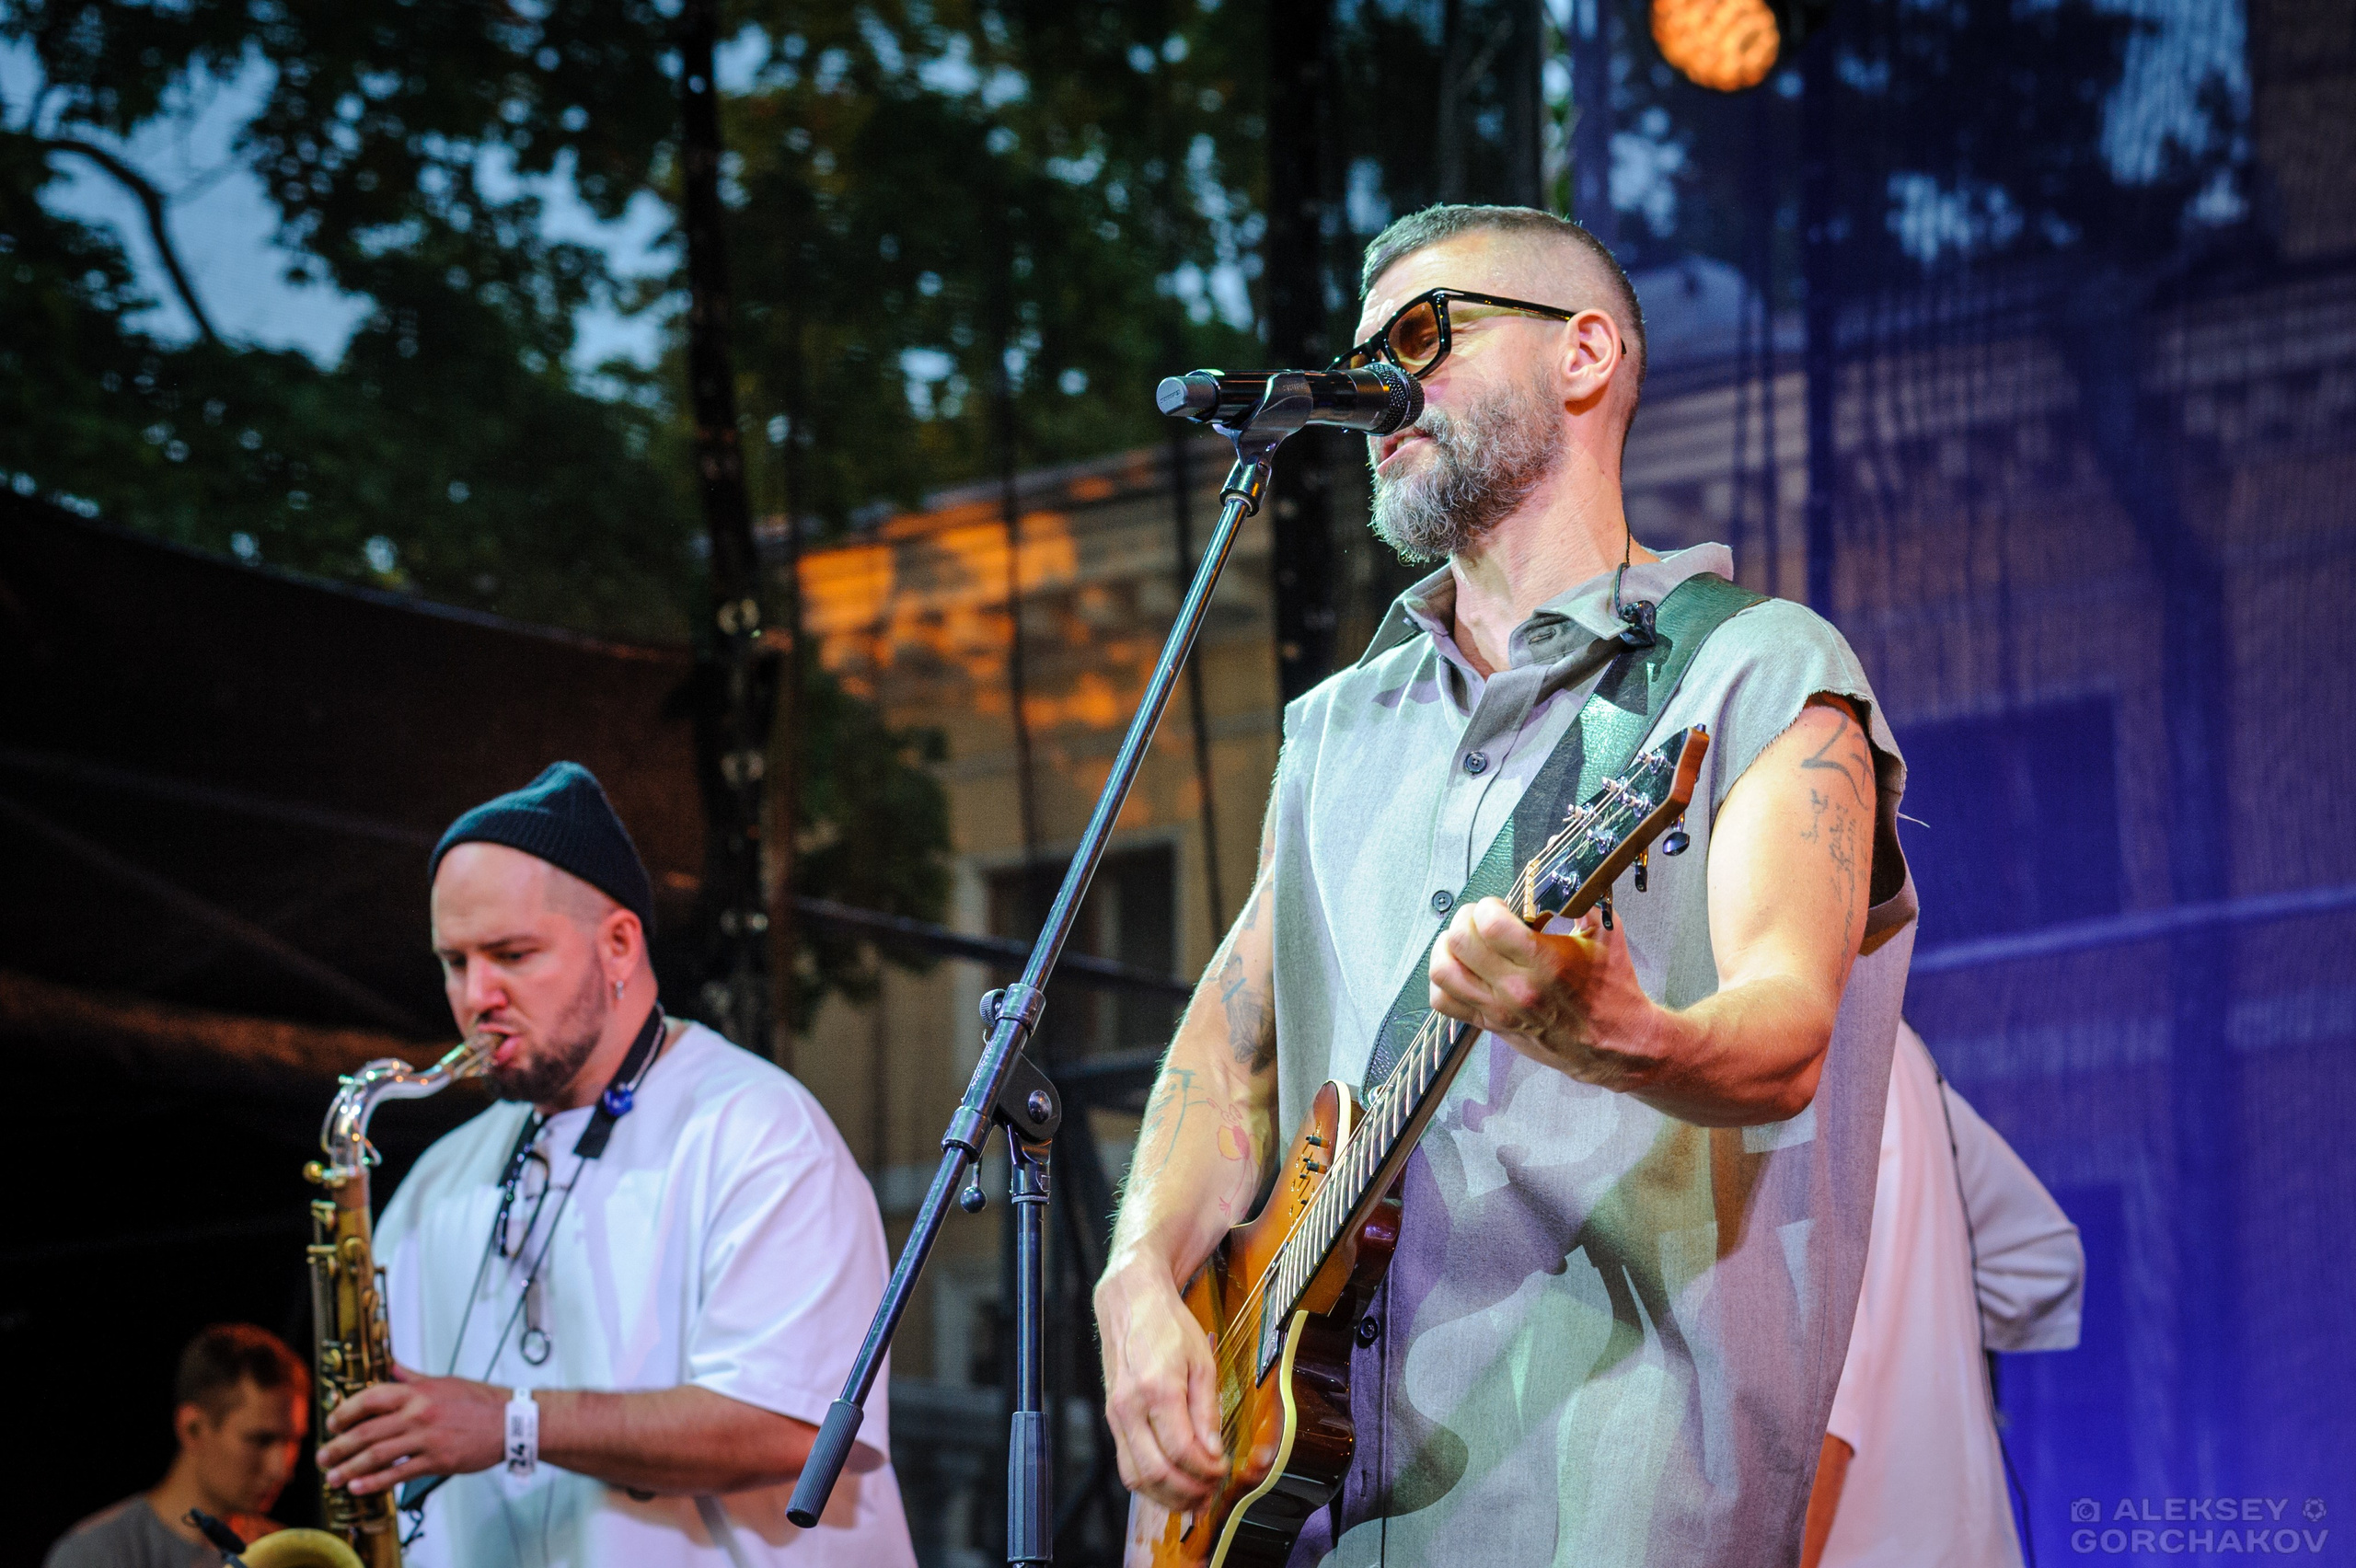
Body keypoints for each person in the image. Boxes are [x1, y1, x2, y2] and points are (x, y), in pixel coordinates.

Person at [1094, 203, 1918, 1566]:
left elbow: (1786, 1032)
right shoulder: (1336, 733)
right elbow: (1228, 1048)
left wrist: (1625, 1034)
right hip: (1294, 1503)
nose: (1377, 391)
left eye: (1423, 336)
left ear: (1585, 355)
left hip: (1605, 1493)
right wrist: (1138, 1282)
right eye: (1359, 356)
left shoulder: (1761, 669)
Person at [314, 762, 914, 1567]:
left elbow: (796, 1427)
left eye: (512, 954)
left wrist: (511, 1423)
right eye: (455, 962)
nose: (476, 995)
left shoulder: (761, 1133)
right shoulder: (432, 1185)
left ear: (620, 944)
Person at [1800, 1021, 2085, 1568]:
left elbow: (1821, 1396)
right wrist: (1926, 1304)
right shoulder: (1896, 1043)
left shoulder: (1760, 1033)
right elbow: (2039, 1261)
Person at [45, 1322, 307, 1567]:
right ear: (192, 1429)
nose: (281, 1469)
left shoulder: (289, 1556)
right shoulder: (93, 1555)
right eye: (260, 1440)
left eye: (293, 1441)